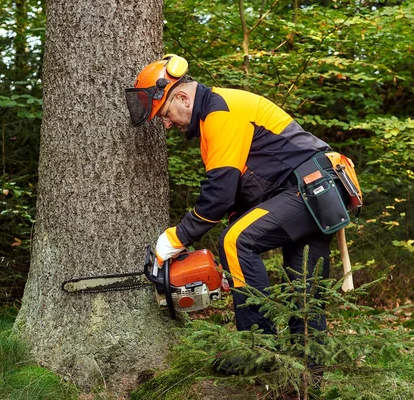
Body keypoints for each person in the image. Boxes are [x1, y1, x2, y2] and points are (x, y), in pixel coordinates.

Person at [125, 54, 360, 338]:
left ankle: (257, 346)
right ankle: (303, 375)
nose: (166, 125)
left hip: (311, 186)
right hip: (311, 193)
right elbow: (241, 196)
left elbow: (219, 196)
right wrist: (237, 275)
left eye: (165, 115)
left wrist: (176, 239)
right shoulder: (213, 123)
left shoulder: (220, 114)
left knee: (236, 242)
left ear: (184, 99)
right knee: (304, 294)